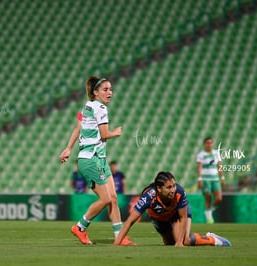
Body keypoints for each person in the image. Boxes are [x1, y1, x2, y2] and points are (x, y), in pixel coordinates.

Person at [59, 76, 133, 245]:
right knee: (106, 199)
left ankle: (119, 237)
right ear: (95, 92)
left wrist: (69, 148)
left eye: (111, 89)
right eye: (105, 89)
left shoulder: (85, 107)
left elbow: (78, 127)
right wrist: (116, 132)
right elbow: (105, 134)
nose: (110, 92)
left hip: (99, 159)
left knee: (113, 197)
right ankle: (80, 227)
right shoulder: (100, 108)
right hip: (91, 159)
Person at [114, 171, 231, 247]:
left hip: (177, 215)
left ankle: (213, 239)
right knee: (169, 243)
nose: (173, 190)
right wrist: (117, 243)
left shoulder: (179, 193)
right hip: (159, 219)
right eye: (169, 187)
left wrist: (180, 242)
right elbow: (129, 221)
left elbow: (183, 216)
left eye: (174, 185)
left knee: (185, 241)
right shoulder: (149, 196)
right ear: (159, 189)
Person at [197, 137, 225, 224]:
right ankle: (209, 219)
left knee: (219, 198)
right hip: (206, 180)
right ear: (204, 144)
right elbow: (199, 167)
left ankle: (210, 211)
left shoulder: (216, 153)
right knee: (208, 197)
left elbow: (219, 165)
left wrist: (222, 177)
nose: (209, 144)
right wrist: (199, 179)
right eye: (207, 143)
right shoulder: (201, 154)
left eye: (211, 143)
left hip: (215, 179)